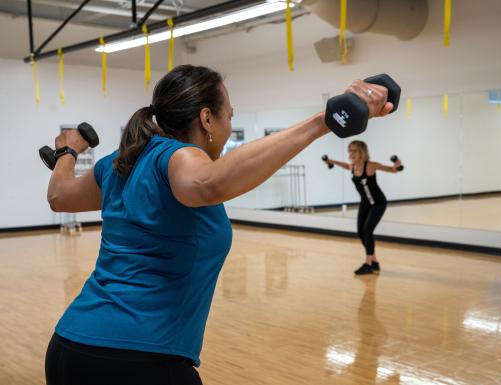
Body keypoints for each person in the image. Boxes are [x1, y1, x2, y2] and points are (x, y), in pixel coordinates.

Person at [44, 64, 393, 385]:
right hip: (139, 363)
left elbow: (60, 197)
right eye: (229, 116)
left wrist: (68, 152)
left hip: (69, 347)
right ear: (207, 119)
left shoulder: (118, 164)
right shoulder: (178, 157)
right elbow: (208, 183)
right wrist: (323, 122)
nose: (229, 127)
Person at [323, 142, 402, 275]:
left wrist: (397, 164)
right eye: (350, 151)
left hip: (378, 203)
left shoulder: (370, 166)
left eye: (355, 151)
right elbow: (346, 165)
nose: (351, 154)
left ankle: (368, 264)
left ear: (362, 152)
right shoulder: (353, 167)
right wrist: (331, 161)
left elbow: (392, 169)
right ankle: (374, 262)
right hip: (365, 203)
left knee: (367, 230)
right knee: (361, 232)